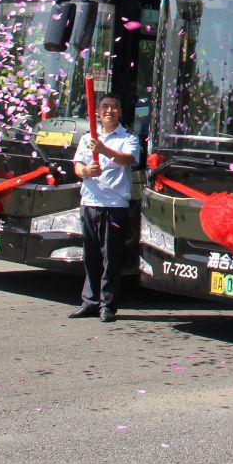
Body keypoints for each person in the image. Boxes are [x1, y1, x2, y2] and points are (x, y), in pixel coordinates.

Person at [69, 93, 139, 323]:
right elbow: (78, 166)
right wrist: (85, 172)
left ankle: (107, 305)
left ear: (120, 112)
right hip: (89, 203)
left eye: (114, 107)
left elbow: (128, 159)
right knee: (90, 256)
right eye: (105, 107)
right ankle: (89, 302)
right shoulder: (87, 138)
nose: (110, 110)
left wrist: (104, 150)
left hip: (114, 205)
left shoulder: (128, 138)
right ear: (97, 112)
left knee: (111, 257)